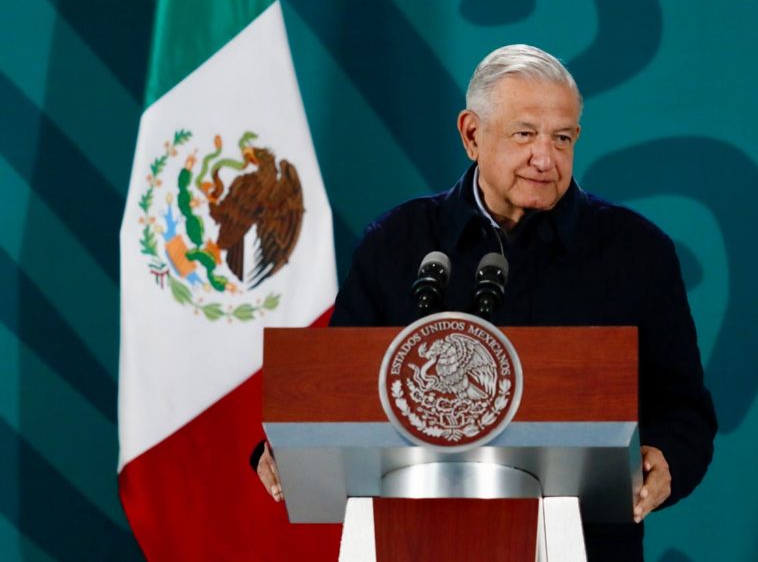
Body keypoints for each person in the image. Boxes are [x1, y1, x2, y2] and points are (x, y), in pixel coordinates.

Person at [254, 44, 717, 561]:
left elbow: (684, 409)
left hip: (584, 543)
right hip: (416, 539)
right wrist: (283, 449)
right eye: (525, 134)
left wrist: (666, 460)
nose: (545, 158)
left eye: (562, 138)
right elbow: (338, 395)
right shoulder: (397, 243)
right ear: (472, 134)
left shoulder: (636, 251)